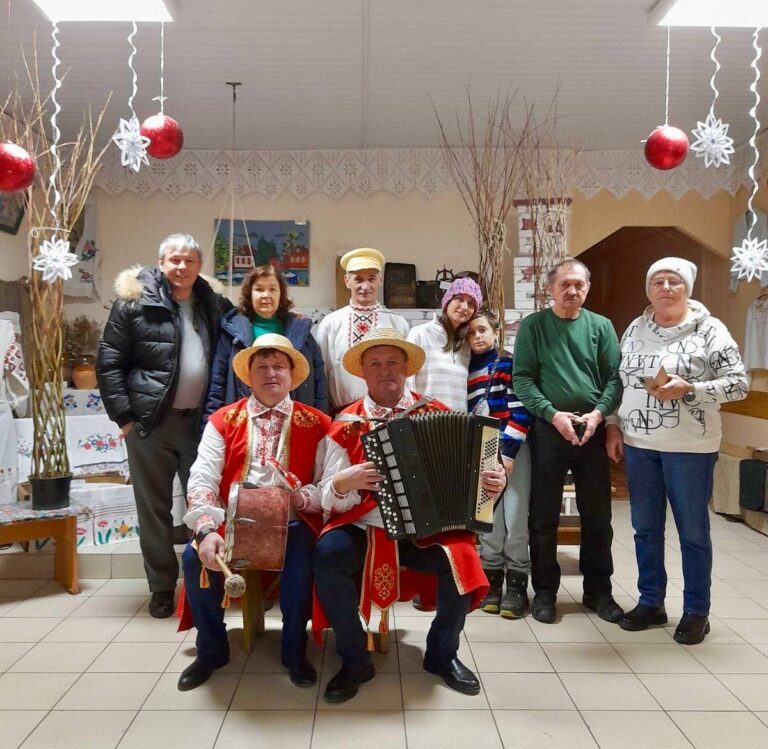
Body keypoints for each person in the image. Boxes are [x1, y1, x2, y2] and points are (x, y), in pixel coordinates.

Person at [312, 328, 507, 703]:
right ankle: (354, 660)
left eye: (393, 363)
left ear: (407, 370)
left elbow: (475, 487)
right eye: (375, 364)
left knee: (461, 558)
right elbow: (325, 499)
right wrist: (343, 481)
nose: (385, 371)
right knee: (328, 555)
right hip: (363, 528)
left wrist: (492, 485)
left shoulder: (437, 413)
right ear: (363, 373)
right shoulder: (345, 423)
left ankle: (442, 655)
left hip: (424, 530)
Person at [606, 257, 748, 645]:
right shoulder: (635, 328)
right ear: (648, 289)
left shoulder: (710, 330)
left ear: (687, 288)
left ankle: (696, 611)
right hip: (640, 445)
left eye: (674, 282)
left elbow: (739, 384)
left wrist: (692, 389)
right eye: (658, 282)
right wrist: (614, 424)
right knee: (645, 530)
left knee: (693, 533)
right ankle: (651, 601)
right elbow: (621, 381)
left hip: (691, 447)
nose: (665, 288)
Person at [178, 334, 331, 690]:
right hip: (233, 523)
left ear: (293, 375)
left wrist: (301, 499)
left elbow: (328, 485)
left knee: (303, 560)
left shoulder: (319, 422)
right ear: (247, 376)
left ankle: (294, 649)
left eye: (279, 366)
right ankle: (211, 650)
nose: (270, 373)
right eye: (261, 367)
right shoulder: (222, 420)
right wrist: (205, 529)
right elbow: (202, 477)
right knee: (191, 559)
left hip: (293, 521)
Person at [96, 233, 232, 618]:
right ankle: (160, 587)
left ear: (199, 265)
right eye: (174, 260)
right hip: (150, 425)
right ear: (160, 262)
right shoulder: (134, 302)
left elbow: (241, 332)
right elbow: (109, 362)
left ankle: (207, 582)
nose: (181, 267)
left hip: (201, 427)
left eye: (189, 260)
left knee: (206, 507)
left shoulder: (212, 303)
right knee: (153, 511)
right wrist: (124, 418)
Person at [513, 258, 623, 624]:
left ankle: (598, 591)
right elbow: (524, 379)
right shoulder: (534, 327)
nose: (572, 291)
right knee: (543, 517)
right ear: (550, 288)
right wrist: (552, 415)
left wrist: (598, 415)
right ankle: (544, 592)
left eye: (579, 284)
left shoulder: (601, 327)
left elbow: (613, 379)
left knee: (598, 516)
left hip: (590, 430)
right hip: (549, 429)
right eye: (565, 284)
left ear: (587, 288)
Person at [466, 309, 532, 618]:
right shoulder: (465, 369)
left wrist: (506, 453)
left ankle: (517, 584)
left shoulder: (507, 364)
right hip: (481, 450)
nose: (476, 337)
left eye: (481, 330)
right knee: (488, 519)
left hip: (512, 450)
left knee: (515, 518)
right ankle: (491, 580)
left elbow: (520, 411)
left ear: (496, 333)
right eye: (469, 333)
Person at [203, 264, 327, 420]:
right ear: (249, 293)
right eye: (259, 289)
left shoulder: (301, 331)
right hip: (243, 423)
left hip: (295, 422)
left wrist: (322, 424)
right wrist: (210, 427)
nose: (266, 295)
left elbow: (319, 383)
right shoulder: (231, 332)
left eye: (273, 289)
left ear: (281, 294)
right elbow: (217, 385)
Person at [315, 248, 409, 412]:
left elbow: (408, 373)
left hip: (391, 415)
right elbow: (321, 374)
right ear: (347, 281)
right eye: (358, 279)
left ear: (380, 279)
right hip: (344, 416)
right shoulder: (331, 324)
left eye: (371, 279)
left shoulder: (397, 323)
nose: (365, 286)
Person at [407, 277, 482, 411]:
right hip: (423, 423)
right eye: (459, 298)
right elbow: (407, 383)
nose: (464, 307)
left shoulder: (468, 345)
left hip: (459, 424)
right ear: (447, 302)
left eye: (471, 304)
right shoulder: (419, 334)